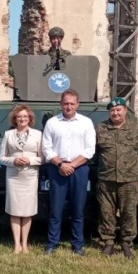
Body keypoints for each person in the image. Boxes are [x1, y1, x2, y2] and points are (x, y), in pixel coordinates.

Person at [41, 89, 95, 255]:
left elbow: (89, 149)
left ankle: (77, 245)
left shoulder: (86, 122)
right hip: (57, 169)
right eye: (66, 103)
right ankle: (52, 244)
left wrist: (71, 165)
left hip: (79, 169)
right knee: (55, 209)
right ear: (61, 104)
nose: (69, 106)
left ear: (77, 104)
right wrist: (60, 165)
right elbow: (46, 148)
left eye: (72, 103)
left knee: (78, 210)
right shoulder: (52, 123)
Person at [95, 97, 138, 259]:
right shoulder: (101, 128)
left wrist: (129, 165)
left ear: (125, 111)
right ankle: (108, 242)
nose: (115, 113)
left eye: (118, 109)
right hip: (106, 178)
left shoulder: (136, 129)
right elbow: (96, 152)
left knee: (129, 212)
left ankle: (126, 243)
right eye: (112, 110)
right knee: (106, 212)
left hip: (129, 179)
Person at [0, 104, 42, 253]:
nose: (22, 119)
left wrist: (30, 161)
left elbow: (43, 158)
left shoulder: (37, 134)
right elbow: (1, 158)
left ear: (29, 118)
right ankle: (16, 244)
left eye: (25, 116)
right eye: (19, 116)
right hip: (14, 177)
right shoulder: (8, 134)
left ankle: (25, 244)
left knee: (27, 211)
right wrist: (13, 161)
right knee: (15, 210)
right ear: (14, 119)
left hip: (30, 177)